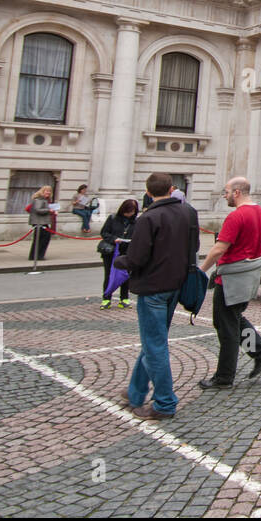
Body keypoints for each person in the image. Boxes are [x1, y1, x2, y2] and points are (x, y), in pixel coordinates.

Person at [115, 172, 198, 420]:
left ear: (148, 192)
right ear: (172, 189)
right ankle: (136, 392)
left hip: (153, 289)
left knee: (154, 345)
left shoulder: (149, 217)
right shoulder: (189, 213)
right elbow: (194, 248)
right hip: (176, 286)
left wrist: (121, 261)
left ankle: (164, 402)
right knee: (154, 341)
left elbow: (137, 258)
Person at [197, 176, 261, 390]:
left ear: (237, 192)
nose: (225, 196)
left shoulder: (236, 216)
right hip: (249, 272)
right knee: (234, 318)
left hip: (232, 275)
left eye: (226, 192)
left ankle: (224, 377)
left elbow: (219, 248)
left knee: (225, 327)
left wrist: (201, 270)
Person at [98, 199, 139, 309]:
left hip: (127, 251)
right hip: (112, 251)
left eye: (132, 211)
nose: (130, 214)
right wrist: (114, 239)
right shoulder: (113, 219)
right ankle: (106, 298)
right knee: (109, 275)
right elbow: (104, 232)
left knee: (126, 275)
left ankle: (124, 298)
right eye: (128, 211)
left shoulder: (136, 221)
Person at [27, 185, 53, 261]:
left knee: (41, 239)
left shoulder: (44, 200)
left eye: (49, 191)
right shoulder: (39, 200)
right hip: (39, 222)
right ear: (42, 191)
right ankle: (37, 255)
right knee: (41, 239)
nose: (48, 192)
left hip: (42, 221)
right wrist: (49, 210)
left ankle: (36, 255)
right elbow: (38, 210)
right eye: (47, 191)